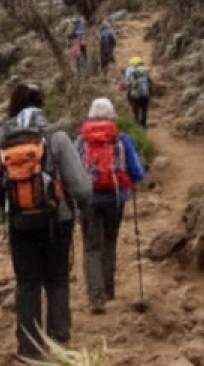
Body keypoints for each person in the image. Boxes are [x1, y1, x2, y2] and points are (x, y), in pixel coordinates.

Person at [0, 82, 90, 359]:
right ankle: (59, 345)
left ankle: (29, 349)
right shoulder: (57, 137)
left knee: (27, 283)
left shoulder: (2, 139)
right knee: (57, 280)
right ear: (41, 104)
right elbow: (81, 188)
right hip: (57, 221)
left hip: (20, 223)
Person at [78, 97, 146, 312]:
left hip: (88, 199)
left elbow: (71, 173)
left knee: (91, 247)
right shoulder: (121, 139)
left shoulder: (81, 141)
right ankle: (108, 290)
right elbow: (136, 172)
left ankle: (96, 296)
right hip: (115, 198)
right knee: (109, 242)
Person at [122, 57, 153, 128]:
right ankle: (144, 124)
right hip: (145, 95)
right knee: (144, 109)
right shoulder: (145, 72)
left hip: (135, 95)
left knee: (136, 109)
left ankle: (136, 124)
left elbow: (128, 82)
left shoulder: (131, 71)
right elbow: (150, 84)